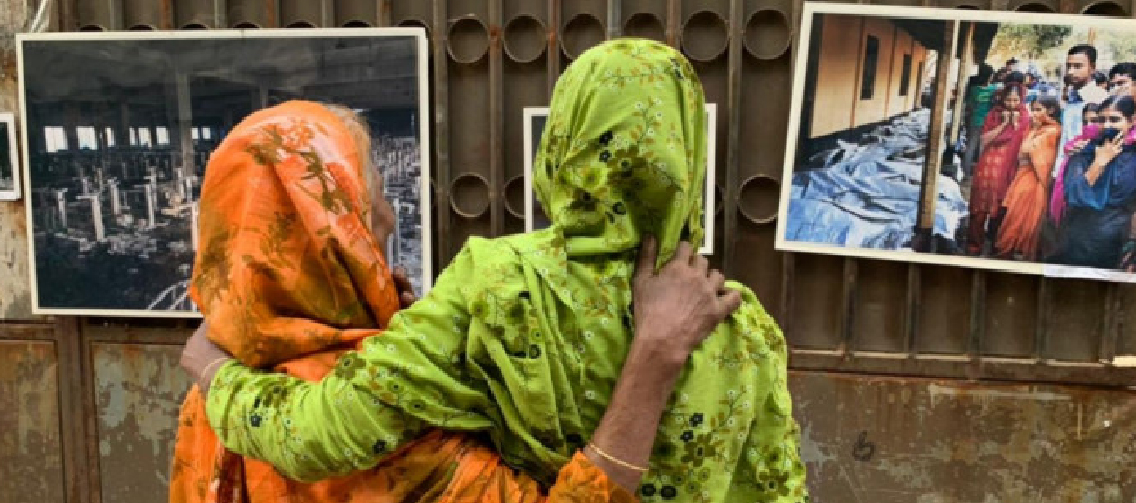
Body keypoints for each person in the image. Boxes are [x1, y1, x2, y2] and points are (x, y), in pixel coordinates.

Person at [178, 40, 808, 502]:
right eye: (378, 192)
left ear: (560, 145)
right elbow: (780, 487)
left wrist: (212, 370)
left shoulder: (494, 286)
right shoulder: (743, 322)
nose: (391, 212)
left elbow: (317, 434)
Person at [1047, 95, 1136, 269]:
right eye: (1101, 120)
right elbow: (1075, 195)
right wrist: (1099, 162)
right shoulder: (1084, 153)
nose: (1107, 125)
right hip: (1081, 239)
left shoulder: (1133, 157)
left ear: (1131, 121)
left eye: (1115, 119)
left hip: (1119, 242)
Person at [993, 96, 1062, 261]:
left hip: (1035, 178)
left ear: (1051, 111)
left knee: (1023, 217)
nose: (1033, 114)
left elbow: (1029, 150)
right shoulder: (1037, 128)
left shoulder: (1053, 130)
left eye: (1039, 110)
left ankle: (1020, 252)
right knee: (1013, 215)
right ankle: (1009, 250)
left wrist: (1032, 135)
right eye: (1033, 110)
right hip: (1024, 174)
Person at [967, 79, 1029, 256]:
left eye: (1015, 100)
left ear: (1021, 100)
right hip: (989, 167)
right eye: (1008, 100)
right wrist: (1003, 124)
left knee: (1002, 206)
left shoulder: (1025, 116)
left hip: (1010, 168)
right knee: (980, 206)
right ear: (1002, 98)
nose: (1011, 104)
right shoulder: (993, 114)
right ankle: (974, 245)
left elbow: (1025, 140)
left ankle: (997, 243)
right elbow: (984, 140)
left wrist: (1016, 124)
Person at [1049, 103, 1103, 227]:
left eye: (1094, 121)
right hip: (1068, 196)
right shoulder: (1076, 143)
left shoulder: (1105, 146)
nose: (1089, 125)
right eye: (1085, 121)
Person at [1055, 45, 1104, 177]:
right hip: (1064, 171)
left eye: (1077, 66)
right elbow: (1066, 137)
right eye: (1069, 66)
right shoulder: (1071, 98)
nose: (1070, 71)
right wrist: (1056, 172)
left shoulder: (1101, 100)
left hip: (1086, 173)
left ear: (1092, 68)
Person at [962, 64, 998, 178]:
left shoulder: (974, 90)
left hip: (975, 121)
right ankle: (980, 174)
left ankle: (965, 173)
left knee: (970, 146)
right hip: (988, 122)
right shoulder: (994, 89)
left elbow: (969, 106)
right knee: (983, 148)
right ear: (989, 76)